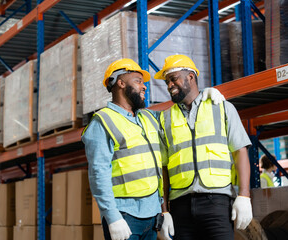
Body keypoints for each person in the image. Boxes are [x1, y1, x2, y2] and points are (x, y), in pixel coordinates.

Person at [82, 58, 225, 240]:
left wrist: (203, 93)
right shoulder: (102, 121)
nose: (144, 87)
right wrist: (112, 217)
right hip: (124, 216)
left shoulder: (148, 117)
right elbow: (98, 174)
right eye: (138, 81)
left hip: (152, 216)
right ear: (121, 83)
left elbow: (182, 106)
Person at [155, 54, 253, 240]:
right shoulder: (164, 118)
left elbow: (240, 151)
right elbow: (163, 168)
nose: (169, 85)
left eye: (173, 79)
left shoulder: (222, 107)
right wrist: (164, 210)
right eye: (167, 81)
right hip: (180, 206)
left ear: (190, 77)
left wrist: (244, 195)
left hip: (216, 202)